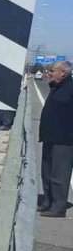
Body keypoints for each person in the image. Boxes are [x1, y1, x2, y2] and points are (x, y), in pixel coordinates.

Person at [39, 60, 73, 217]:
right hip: (50, 137)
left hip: (65, 140)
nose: (49, 73)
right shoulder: (56, 87)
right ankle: (47, 202)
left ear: (63, 73)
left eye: (52, 70)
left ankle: (58, 208)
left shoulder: (70, 89)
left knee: (59, 174)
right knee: (46, 172)